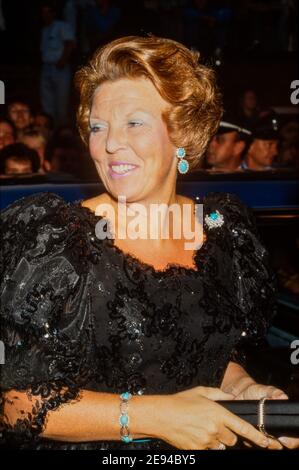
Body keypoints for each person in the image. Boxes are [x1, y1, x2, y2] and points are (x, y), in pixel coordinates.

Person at [1, 35, 298, 451]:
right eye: (98, 127)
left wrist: (244, 389)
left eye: (133, 123)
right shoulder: (54, 242)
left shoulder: (224, 233)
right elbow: (13, 402)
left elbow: (204, 354)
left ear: (183, 134)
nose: (109, 144)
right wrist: (154, 417)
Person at [40, 1, 76, 127]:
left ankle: (62, 131)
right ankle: (49, 129)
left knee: (61, 102)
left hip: (60, 67)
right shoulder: (44, 29)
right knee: (47, 101)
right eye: (43, 12)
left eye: (47, 11)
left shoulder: (62, 26)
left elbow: (70, 44)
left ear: (53, 13)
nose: (45, 15)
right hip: (47, 67)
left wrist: (63, 60)